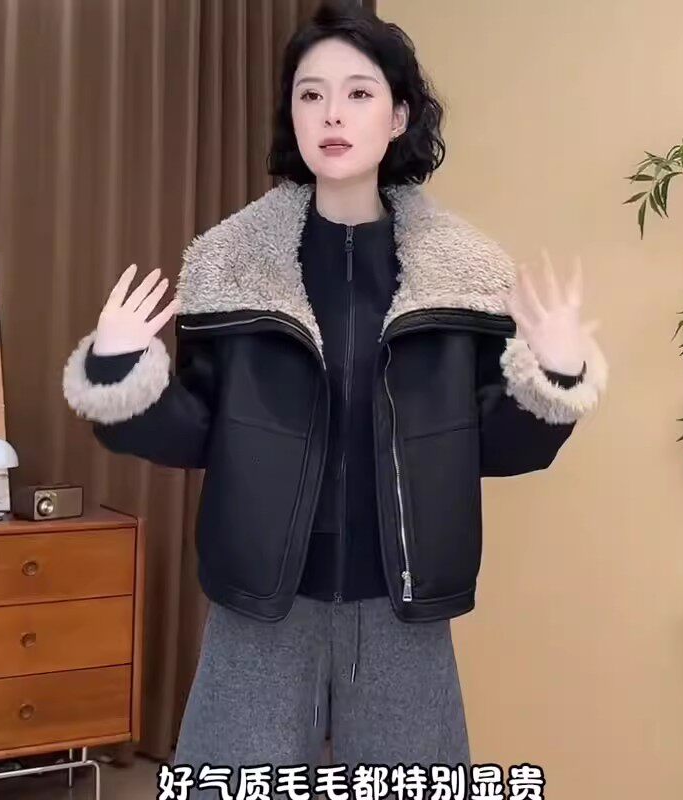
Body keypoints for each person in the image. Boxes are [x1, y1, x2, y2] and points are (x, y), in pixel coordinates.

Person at [61, 1, 607, 796]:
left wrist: (552, 378)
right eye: (310, 94)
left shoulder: (465, 277)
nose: (332, 115)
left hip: (403, 604)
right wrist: (117, 372)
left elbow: (494, 447)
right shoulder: (229, 268)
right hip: (260, 605)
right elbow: (198, 430)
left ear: (399, 117)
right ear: (292, 114)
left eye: (358, 93)